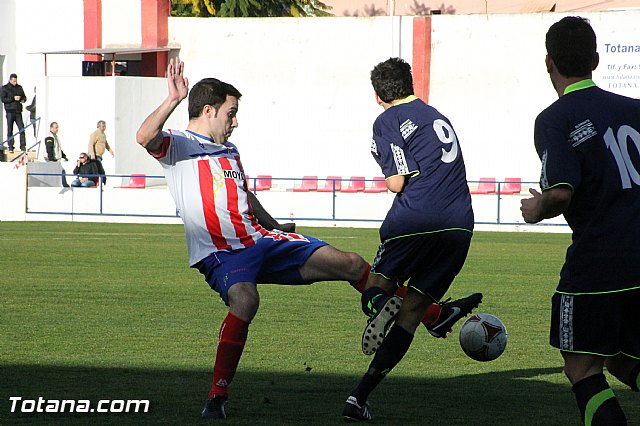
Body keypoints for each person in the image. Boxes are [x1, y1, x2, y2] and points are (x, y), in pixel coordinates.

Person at [135, 58, 370, 420]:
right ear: (209, 110)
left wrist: (278, 226)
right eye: (231, 113)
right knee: (245, 299)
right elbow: (144, 137)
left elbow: (245, 195)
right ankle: (217, 397)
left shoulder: (230, 151)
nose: (235, 121)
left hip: (260, 239)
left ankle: (429, 315)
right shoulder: (178, 144)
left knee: (351, 263)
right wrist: (173, 100)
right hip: (221, 252)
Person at [342, 58, 482, 422]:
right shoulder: (436, 115)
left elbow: (397, 181)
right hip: (458, 224)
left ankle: (379, 306)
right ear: (412, 84)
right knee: (412, 314)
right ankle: (359, 398)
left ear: (378, 96)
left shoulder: (385, 120)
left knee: (374, 288)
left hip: (416, 217)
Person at [521, 16, 640, 426]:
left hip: (600, 261)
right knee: (623, 362)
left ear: (548, 62)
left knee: (583, 368)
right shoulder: (635, 110)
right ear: (596, 58)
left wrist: (536, 209)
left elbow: (560, 192)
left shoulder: (556, 118)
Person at [1, 73, 27, 153]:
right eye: (13, 81)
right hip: (9, 111)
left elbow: (24, 97)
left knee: (21, 128)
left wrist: (22, 99)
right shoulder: (4, 88)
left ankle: (23, 146)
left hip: (18, 111)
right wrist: (13, 98)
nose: (15, 83)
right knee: (10, 129)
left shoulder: (19, 88)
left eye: (16, 81)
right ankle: (11, 146)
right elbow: (3, 99)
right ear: (10, 80)